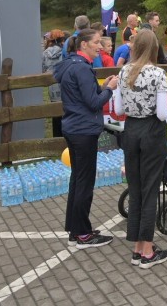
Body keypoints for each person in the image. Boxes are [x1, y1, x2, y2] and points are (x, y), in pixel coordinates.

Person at [53, 29, 118, 249]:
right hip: (83, 130)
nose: (100, 47)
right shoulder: (81, 68)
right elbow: (93, 103)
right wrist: (109, 90)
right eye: (96, 43)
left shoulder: (72, 65)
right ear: (83, 46)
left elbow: (85, 96)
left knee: (77, 179)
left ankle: (76, 228)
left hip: (74, 127)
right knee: (84, 183)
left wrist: (101, 87)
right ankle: (82, 233)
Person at [113, 29, 167, 268]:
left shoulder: (124, 70)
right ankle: (147, 250)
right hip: (152, 131)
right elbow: (161, 112)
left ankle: (137, 246)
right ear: (154, 48)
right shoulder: (158, 74)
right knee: (150, 190)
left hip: (131, 131)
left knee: (136, 189)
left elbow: (117, 108)